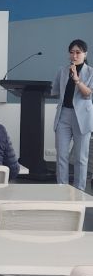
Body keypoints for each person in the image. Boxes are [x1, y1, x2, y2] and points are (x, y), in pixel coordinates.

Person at [52, 39, 93, 190]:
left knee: (80, 158)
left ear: (85, 54)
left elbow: (88, 94)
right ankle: (62, 190)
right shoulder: (62, 71)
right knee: (61, 156)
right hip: (63, 115)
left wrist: (77, 80)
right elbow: (56, 90)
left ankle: (79, 191)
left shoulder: (91, 72)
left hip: (82, 117)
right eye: (71, 52)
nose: (74, 56)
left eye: (78, 52)